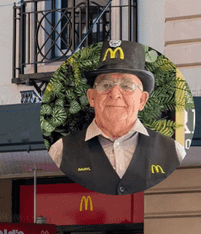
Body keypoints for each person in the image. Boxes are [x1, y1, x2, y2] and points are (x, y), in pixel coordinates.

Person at [48, 40, 186, 195]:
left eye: (127, 86)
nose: (115, 94)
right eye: (106, 85)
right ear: (92, 97)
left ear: (142, 100)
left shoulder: (173, 152)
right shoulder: (61, 151)